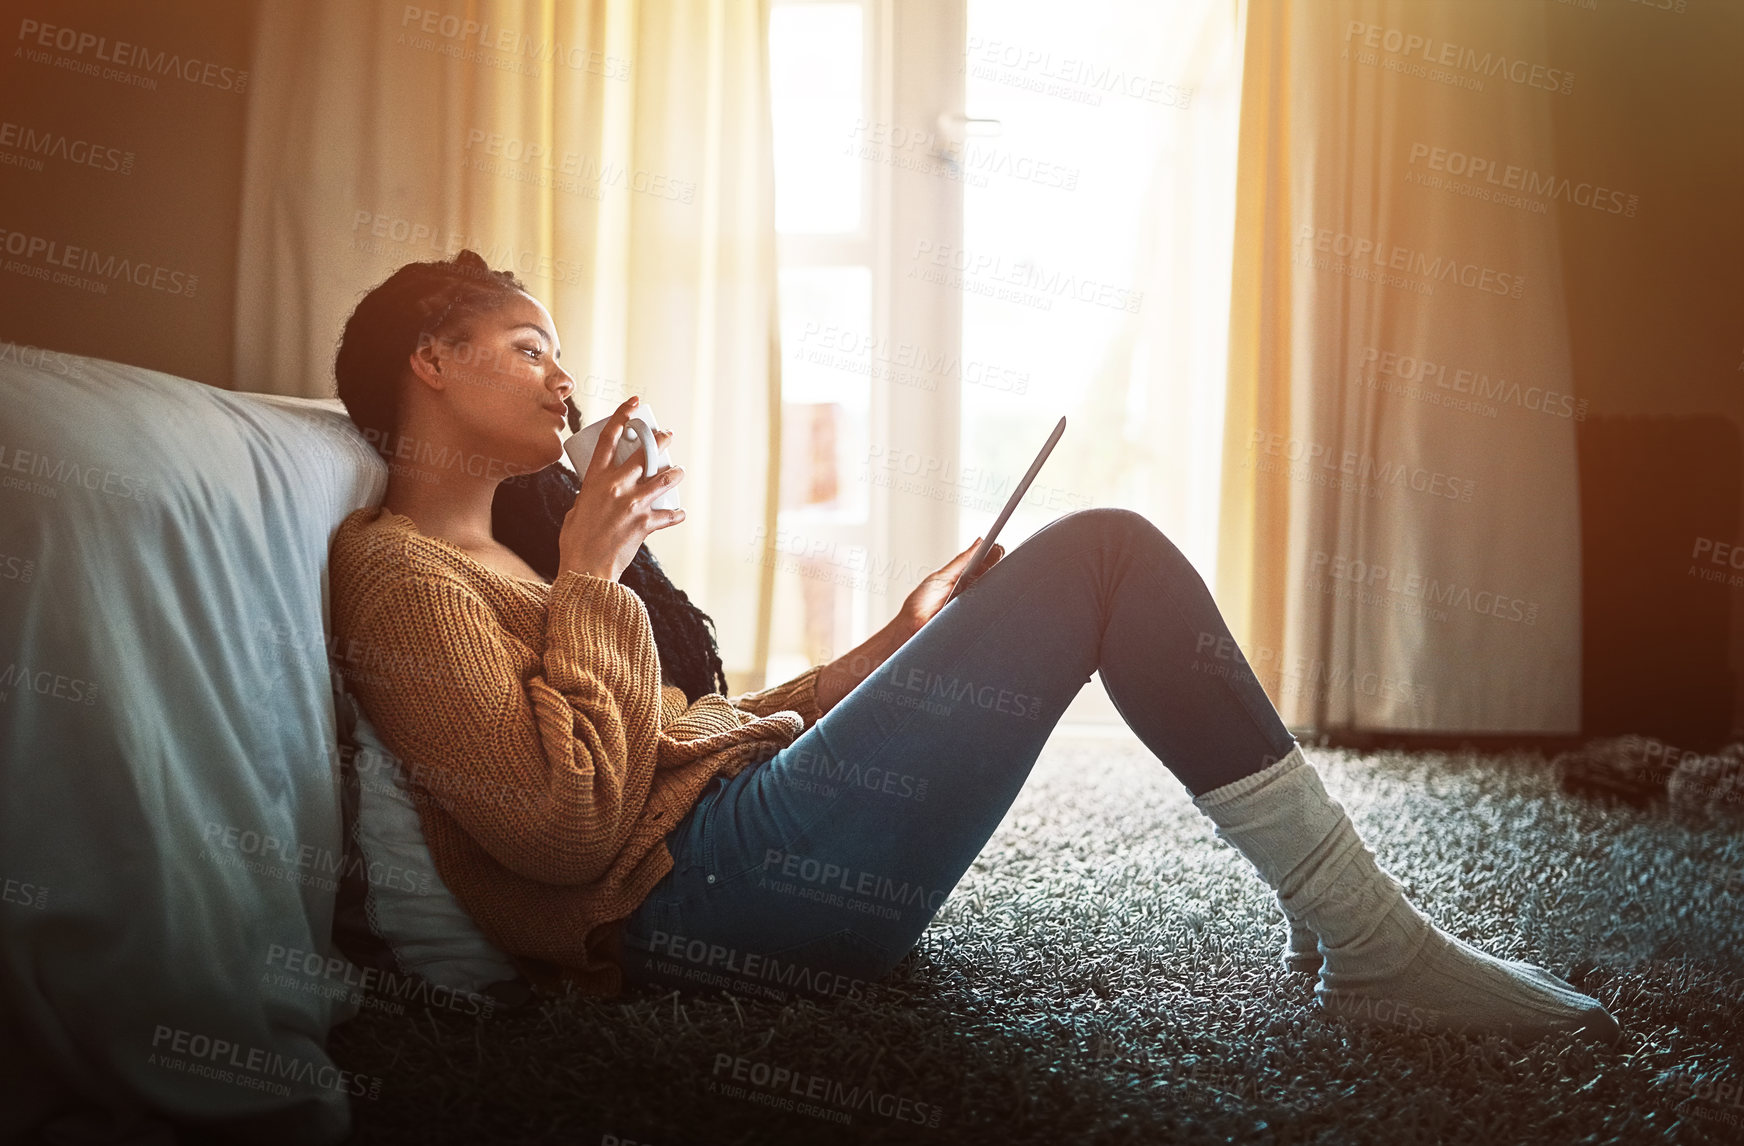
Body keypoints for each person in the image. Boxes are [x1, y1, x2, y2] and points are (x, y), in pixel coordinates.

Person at [328, 251, 1619, 1044]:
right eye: (529, 344)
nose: (564, 377)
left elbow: (677, 730)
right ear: (430, 361)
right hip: (702, 902)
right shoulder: (395, 569)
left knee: (1092, 558)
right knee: (1106, 547)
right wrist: (595, 575)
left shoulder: (514, 555)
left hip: (736, 847)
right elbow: (559, 829)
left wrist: (903, 629)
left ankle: (1360, 924)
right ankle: (1374, 941)